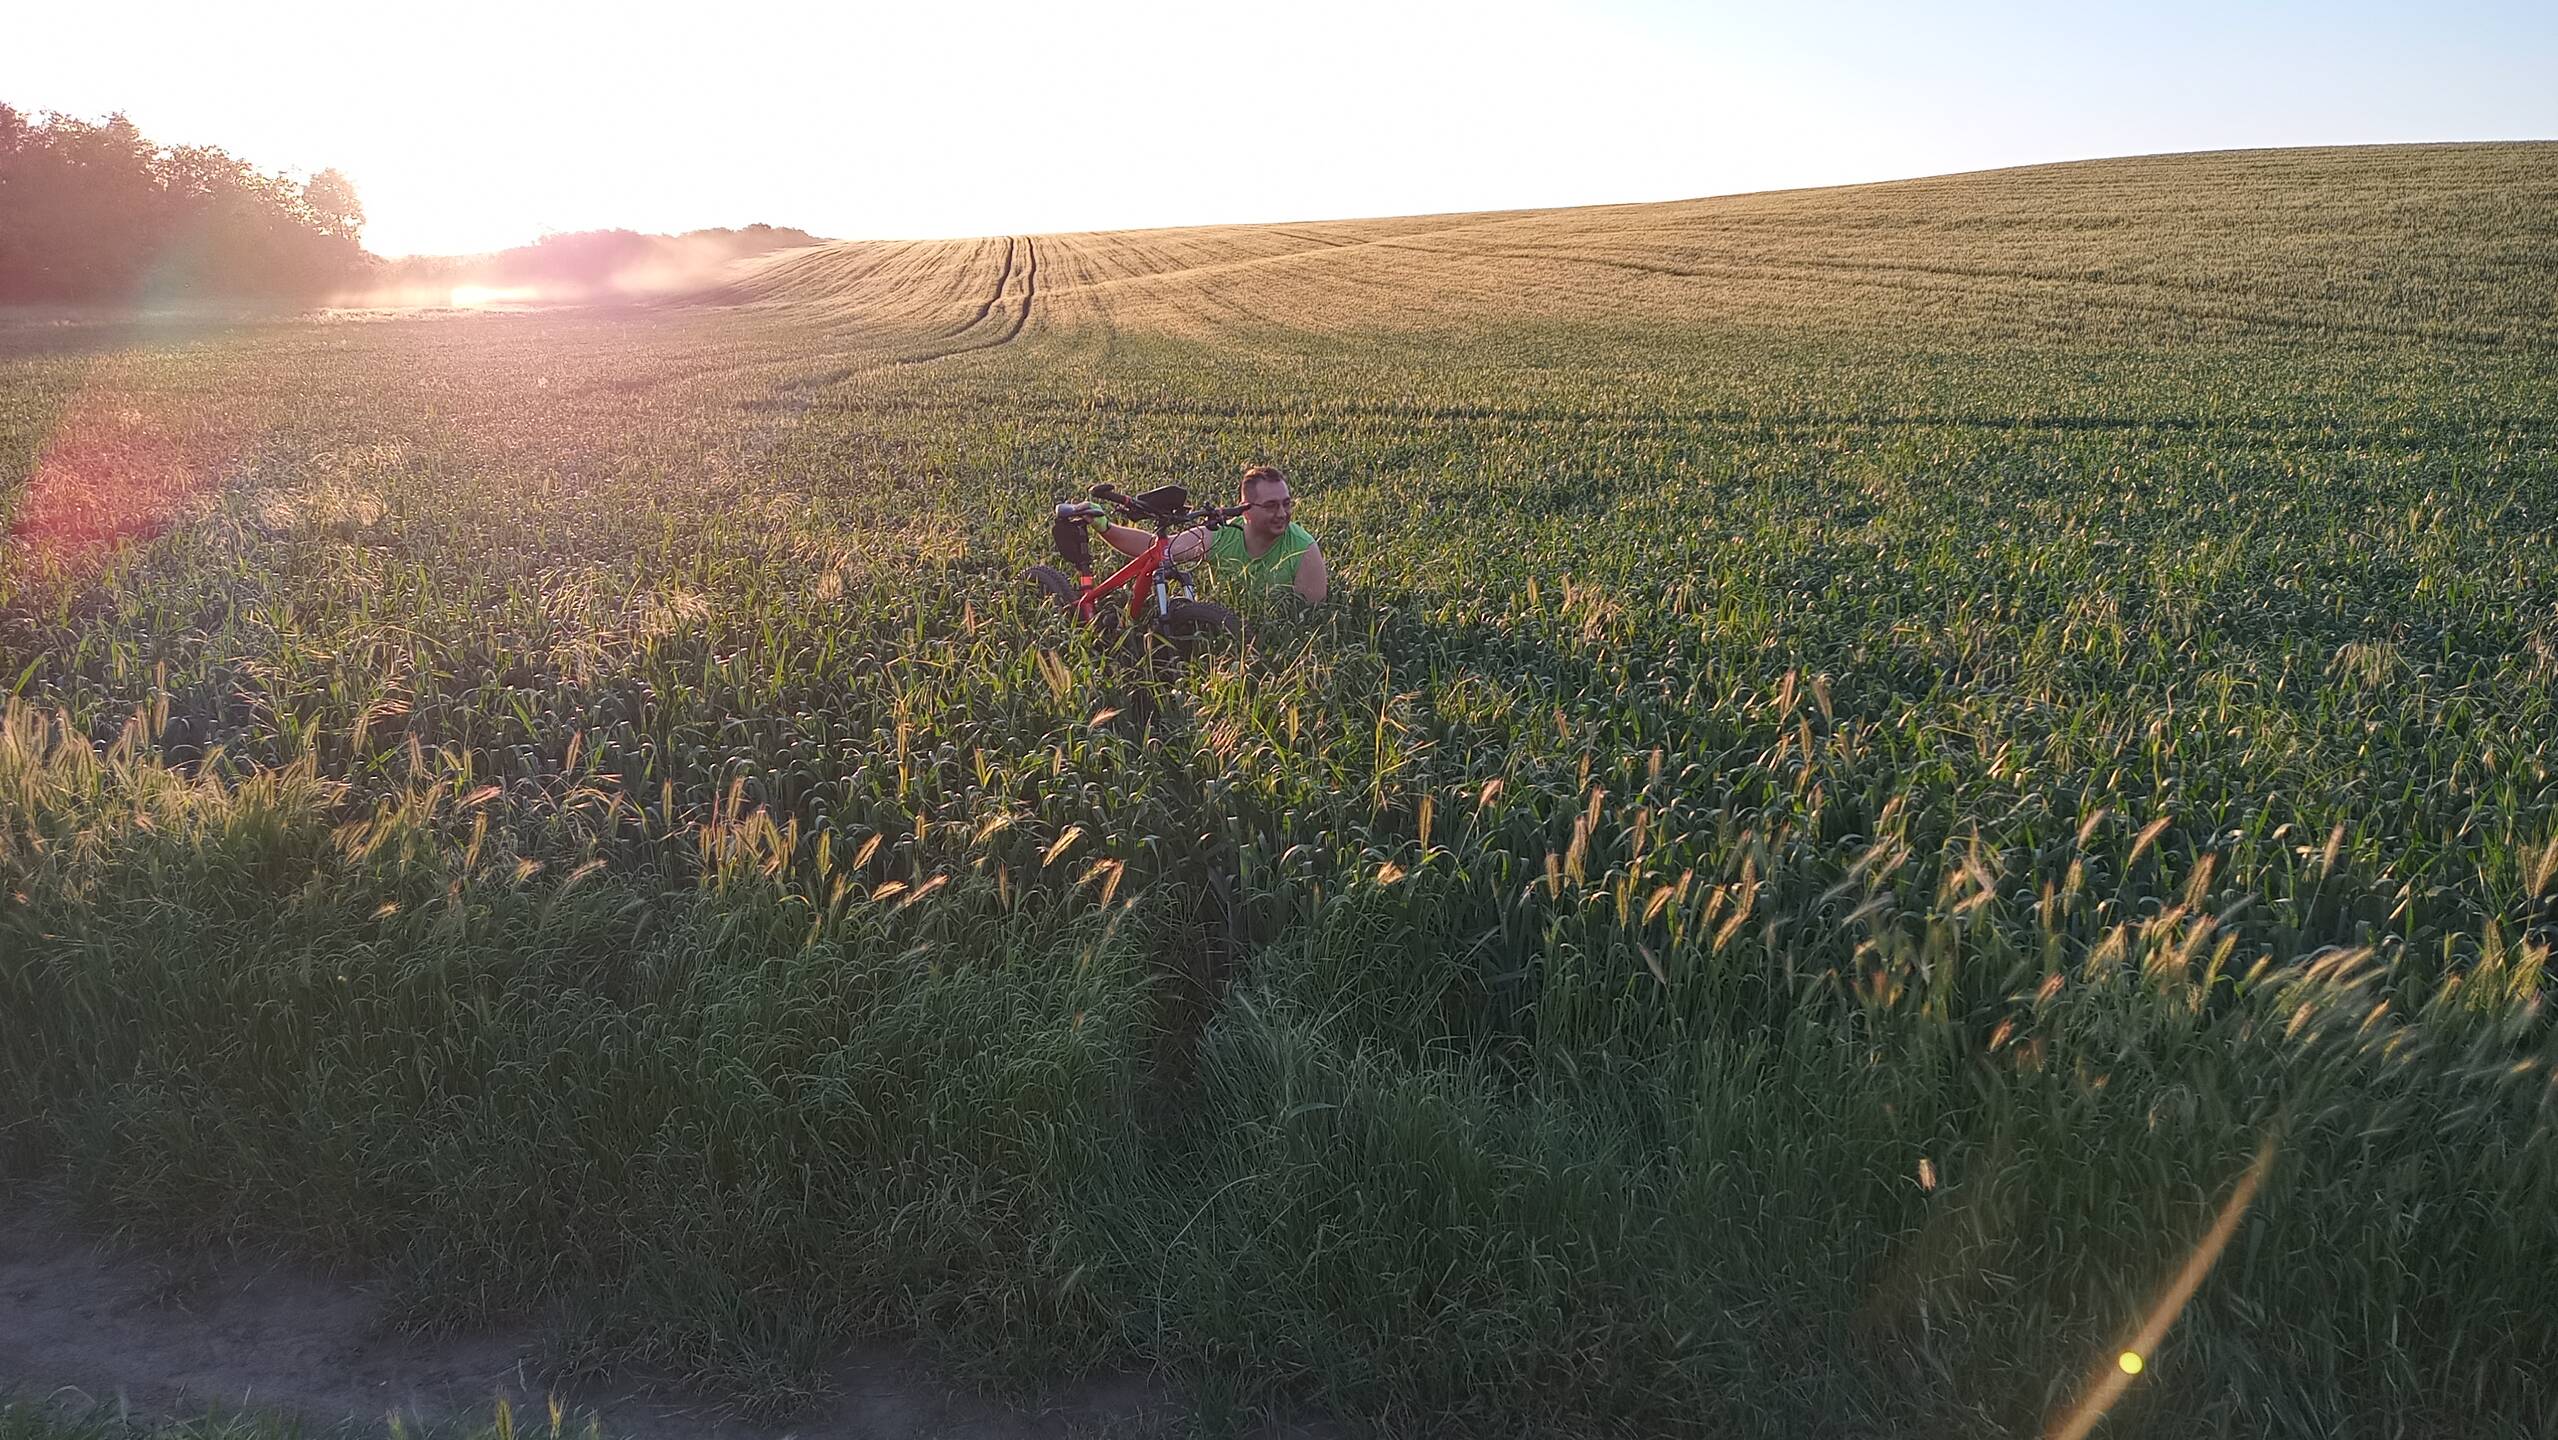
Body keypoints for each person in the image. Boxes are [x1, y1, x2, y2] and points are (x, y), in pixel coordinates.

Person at [1094, 463, 1329, 604]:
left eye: (1286, 503)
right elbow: (1158, 549)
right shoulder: (1222, 534)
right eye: (1271, 506)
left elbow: (1310, 620)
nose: (1282, 513)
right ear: (1245, 510)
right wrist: (1105, 527)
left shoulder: (1303, 549)